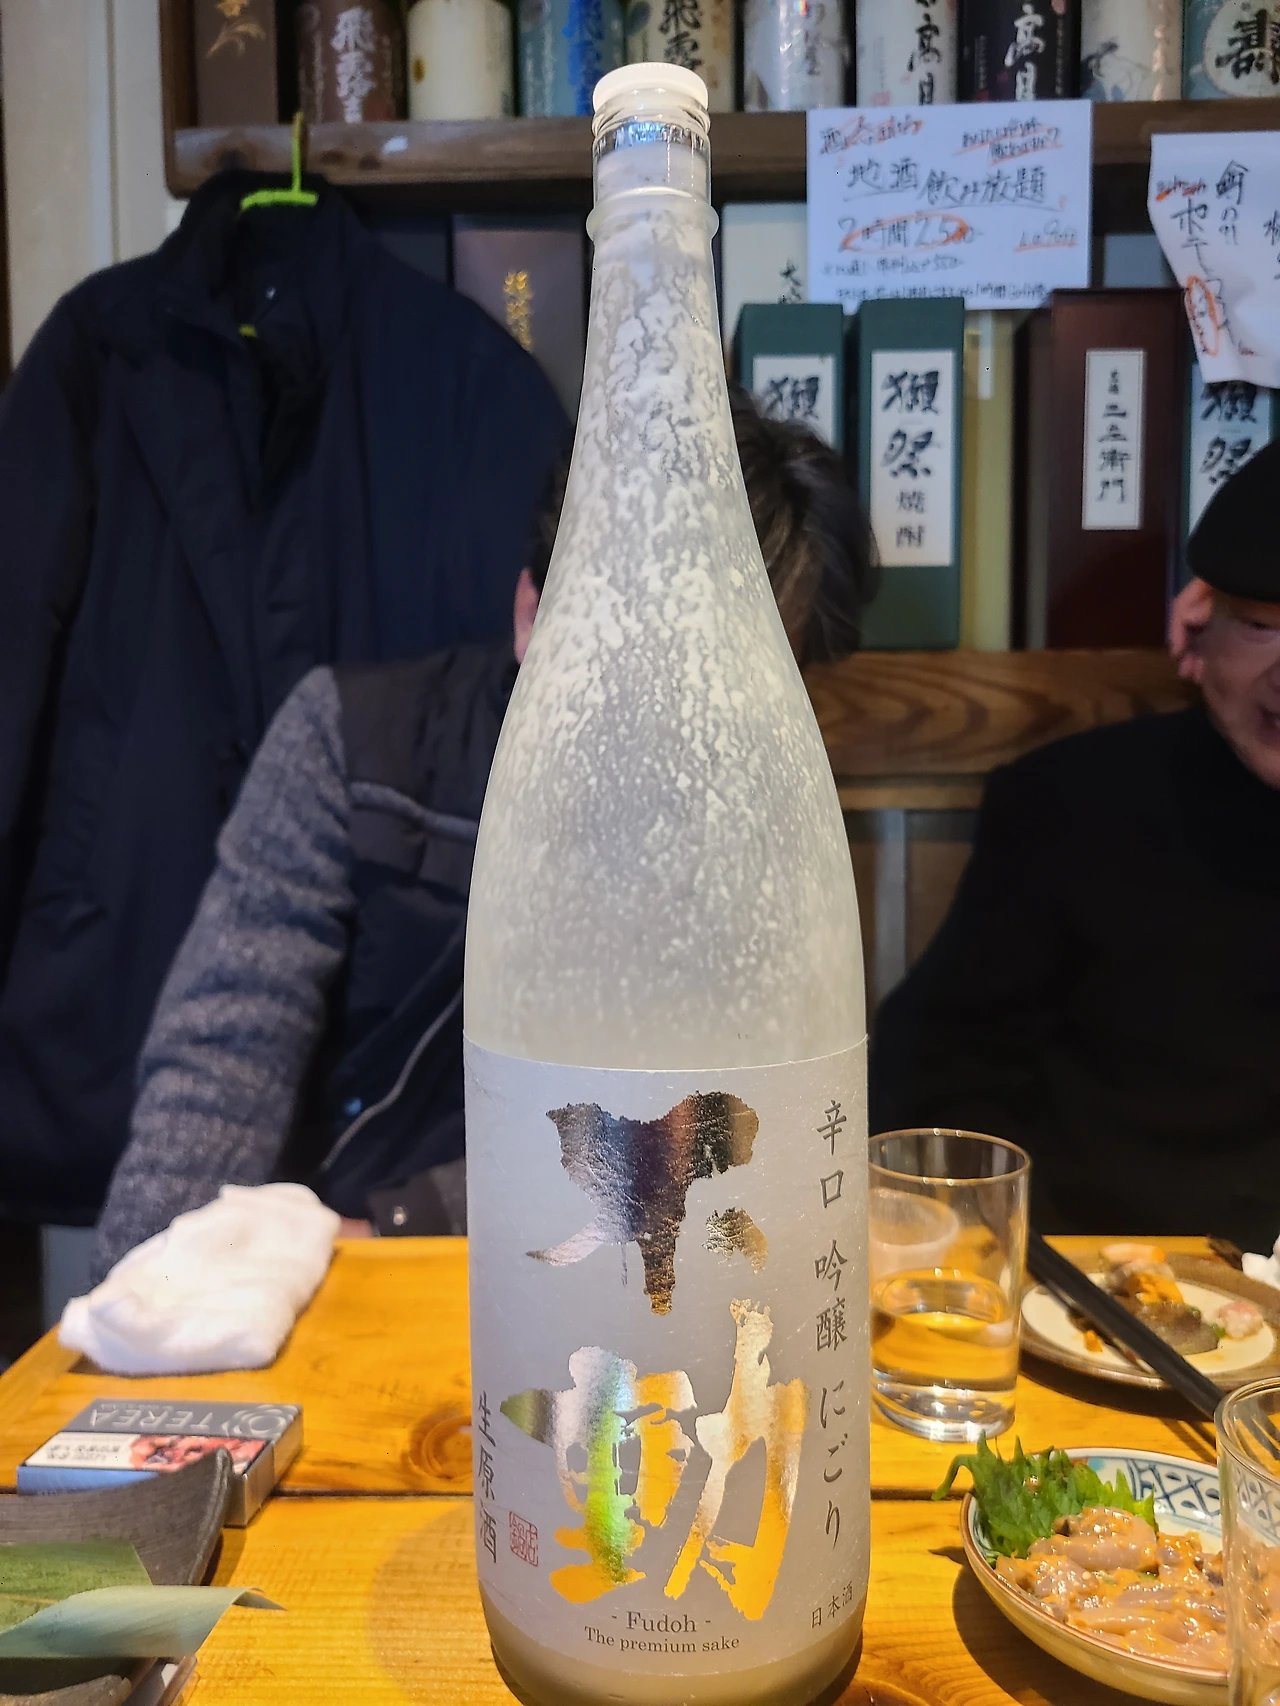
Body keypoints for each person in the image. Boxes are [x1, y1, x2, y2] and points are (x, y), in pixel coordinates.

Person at [93, 390, 878, 1274]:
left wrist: (406, 1225)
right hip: (315, 1259)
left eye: (730, 677)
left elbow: (720, 1133)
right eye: (636, 659)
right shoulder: (353, 743)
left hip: (601, 1278)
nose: (673, 718)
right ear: (530, 613)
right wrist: (152, 1281)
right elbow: (220, 1059)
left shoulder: (766, 836)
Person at [870, 440, 1280, 1249]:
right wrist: (1028, 1259)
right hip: (1103, 1282)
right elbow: (940, 1072)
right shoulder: (1070, 803)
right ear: (1199, 629)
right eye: (1261, 626)